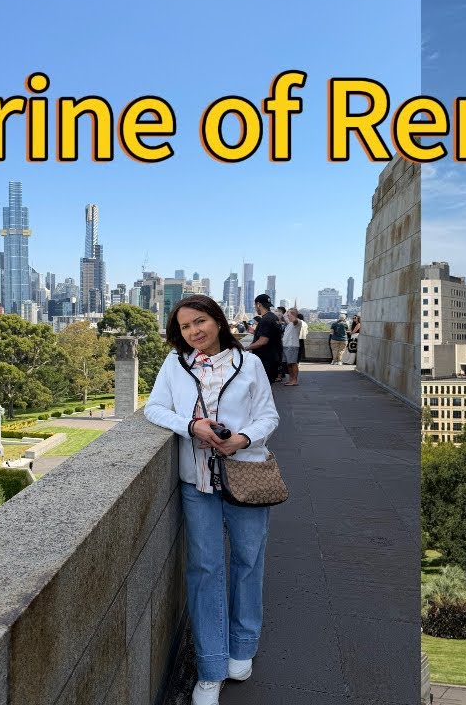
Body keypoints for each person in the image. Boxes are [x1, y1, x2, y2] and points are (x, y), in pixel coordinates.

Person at [143, 295, 279, 705]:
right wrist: (191, 426)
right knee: (204, 569)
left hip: (247, 475)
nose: (193, 332)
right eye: (185, 327)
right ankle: (210, 668)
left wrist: (241, 438)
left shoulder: (249, 364)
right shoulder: (174, 364)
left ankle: (242, 646)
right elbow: (153, 409)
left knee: (248, 562)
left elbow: (269, 417)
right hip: (197, 482)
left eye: (199, 322)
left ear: (218, 321)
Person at [247, 294, 284, 382]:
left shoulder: (265, 320)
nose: (255, 308)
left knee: (263, 388)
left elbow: (263, 341)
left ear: (258, 304)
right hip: (274, 358)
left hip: (266, 360)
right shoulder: (273, 317)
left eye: (255, 306)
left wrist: (246, 348)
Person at [281, 308, 302, 385]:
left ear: (293, 314)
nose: (287, 315)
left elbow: (295, 321)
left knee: (293, 363)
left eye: (288, 314)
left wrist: (291, 314)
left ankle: (294, 380)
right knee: (288, 364)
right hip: (286, 346)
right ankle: (291, 379)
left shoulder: (298, 322)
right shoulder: (289, 323)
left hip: (292, 346)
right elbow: (283, 317)